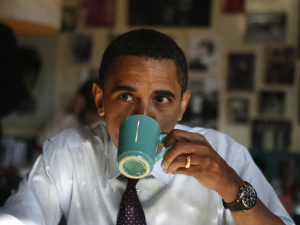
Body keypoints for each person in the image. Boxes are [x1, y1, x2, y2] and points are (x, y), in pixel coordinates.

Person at [0, 29, 294, 225]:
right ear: (100, 100)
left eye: (162, 99)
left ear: (182, 106)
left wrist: (231, 186)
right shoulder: (69, 153)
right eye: (126, 96)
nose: (143, 115)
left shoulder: (224, 153)